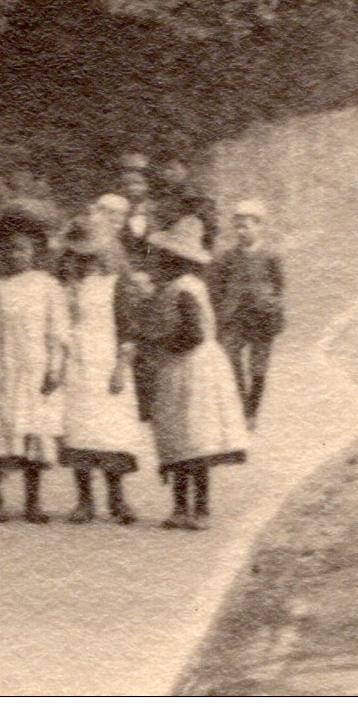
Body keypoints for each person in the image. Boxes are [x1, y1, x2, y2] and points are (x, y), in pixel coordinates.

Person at [146, 216, 248, 530]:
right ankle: (182, 506)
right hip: (181, 366)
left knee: (193, 435)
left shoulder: (185, 289)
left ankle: (197, 507)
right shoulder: (179, 287)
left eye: (164, 258)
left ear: (177, 261)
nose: (159, 263)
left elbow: (193, 334)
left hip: (191, 366)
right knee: (181, 434)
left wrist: (159, 342)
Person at [0, 212, 69, 523]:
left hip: (35, 369)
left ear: (34, 253)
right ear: (2, 252)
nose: (16, 255)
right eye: (10, 249)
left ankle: (33, 501)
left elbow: (59, 331)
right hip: (2, 369)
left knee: (34, 432)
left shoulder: (48, 286)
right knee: (0, 429)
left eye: (23, 249)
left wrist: (55, 367)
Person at [59, 223, 146, 525]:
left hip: (107, 360)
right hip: (77, 362)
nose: (82, 261)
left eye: (89, 255)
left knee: (110, 429)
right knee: (79, 428)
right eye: (77, 256)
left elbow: (127, 328)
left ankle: (117, 498)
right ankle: (84, 500)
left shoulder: (114, 284)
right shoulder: (68, 287)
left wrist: (122, 366)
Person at [211, 200, 285, 431]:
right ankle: (241, 406)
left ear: (260, 226)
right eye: (238, 227)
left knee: (258, 366)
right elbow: (219, 286)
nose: (242, 231)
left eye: (247, 226)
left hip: (262, 316)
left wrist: (270, 303)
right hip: (234, 317)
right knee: (230, 358)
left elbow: (279, 284)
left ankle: (252, 411)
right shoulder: (227, 257)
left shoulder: (270, 256)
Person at [153, 156, 219, 250]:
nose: (167, 173)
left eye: (172, 168)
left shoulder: (196, 197)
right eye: (164, 169)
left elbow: (210, 227)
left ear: (185, 170)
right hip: (164, 247)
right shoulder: (162, 195)